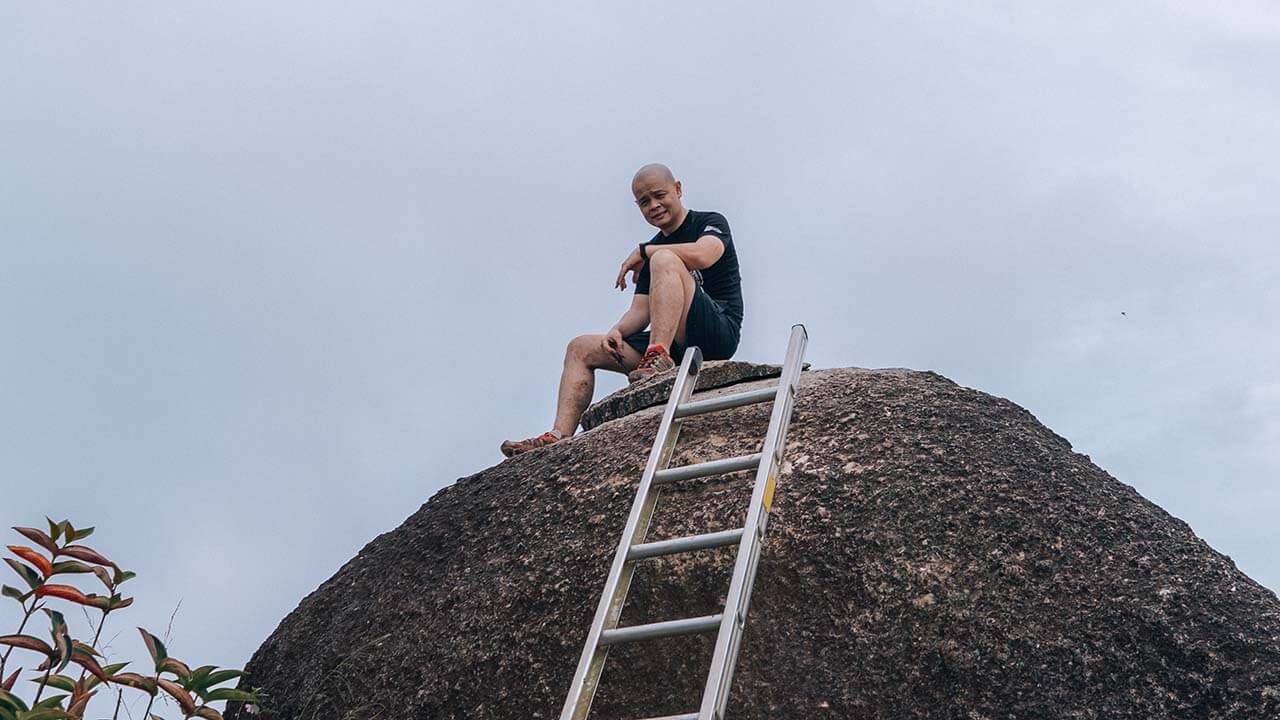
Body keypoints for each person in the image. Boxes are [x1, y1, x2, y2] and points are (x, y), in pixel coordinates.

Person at [499, 163, 744, 457]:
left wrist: (645, 252)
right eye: (644, 201)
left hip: (716, 335)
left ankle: (658, 356)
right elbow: (641, 311)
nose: (654, 205)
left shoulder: (708, 223)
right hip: (674, 342)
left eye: (659, 195)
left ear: (677, 189)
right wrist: (618, 330)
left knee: (665, 258)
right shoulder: (653, 248)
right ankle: (558, 434)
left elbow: (705, 255)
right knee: (580, 348)